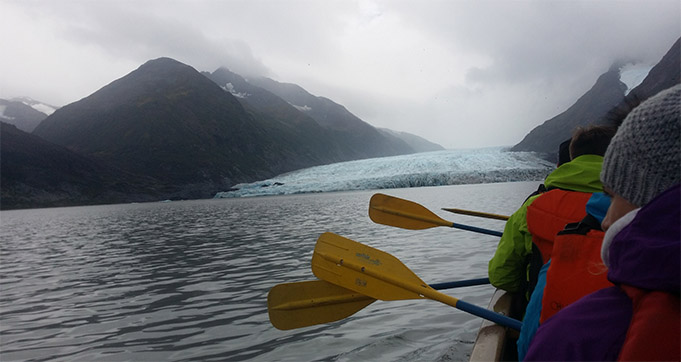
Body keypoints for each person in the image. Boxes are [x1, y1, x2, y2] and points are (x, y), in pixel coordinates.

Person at [525, 84, 680, 361]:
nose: (605, 221)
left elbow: (501, 274)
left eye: (612, 195)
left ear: (642, 192)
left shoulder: (572, 337)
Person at [488, 125, 615, 298]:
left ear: (572, 157)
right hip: (622, 320)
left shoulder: (533, 205)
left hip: (545, 317)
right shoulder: (633, 207)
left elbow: (502, 277)